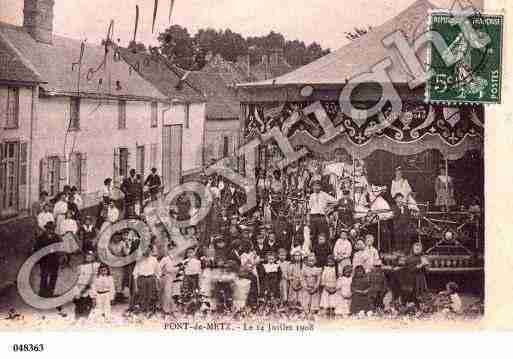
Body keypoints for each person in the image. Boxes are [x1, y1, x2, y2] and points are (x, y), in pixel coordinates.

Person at [34, 221, 61, 298]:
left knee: (54, 276)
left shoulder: (57, 237)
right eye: (49, 229)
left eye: (52, 229)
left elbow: (60, 247)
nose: (51, 231)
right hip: (44, 260)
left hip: (54, 260)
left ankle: (50, 292)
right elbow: (37, 248)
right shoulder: (40, 238)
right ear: (46, 229)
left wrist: (59, 255)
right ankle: (42, 293)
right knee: (44, 275)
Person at [133, 245, 161, 317]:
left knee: (150, 295)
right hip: (142, 279)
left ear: (151, 251)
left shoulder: (154, 259)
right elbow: (135, 273)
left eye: (148, 250)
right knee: (142, 295)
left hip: (151, 279)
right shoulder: (139, 260)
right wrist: (136, 286)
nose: (147, 252)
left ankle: (149, 310)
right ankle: (142, 310)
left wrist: (158, 283)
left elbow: (158, 272)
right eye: (145, 250)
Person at [73, 251, 99, 323]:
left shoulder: (96, 265)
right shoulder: (80, 266)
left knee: (89, 302)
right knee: (79, 302)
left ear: (93, 257)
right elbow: (77, 278)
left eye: (90, 256)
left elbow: (96, 277)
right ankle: (77, 316)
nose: (88, 257)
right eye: (87, 256)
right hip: (81, 285)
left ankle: (86, 317)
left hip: (91, 286)